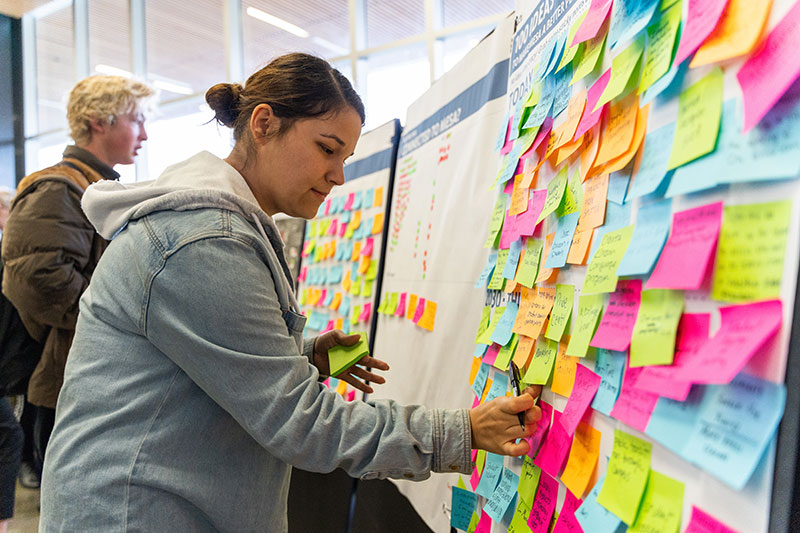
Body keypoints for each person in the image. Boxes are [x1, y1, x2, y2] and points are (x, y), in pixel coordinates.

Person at [39, 53, 542, 532]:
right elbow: (302, 423)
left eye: (345, 156)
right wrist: (459, 432)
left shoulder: (215, 227)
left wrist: (302, 355)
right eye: (327, 148)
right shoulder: (204, 240)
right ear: (263, 124)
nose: (338, 176)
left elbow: (193, 360)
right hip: (137, 513)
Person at [0, 75, 155, 469]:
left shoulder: (95, 185)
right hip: (72, 377)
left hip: (91, 373)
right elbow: (38, 279)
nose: (145, 134)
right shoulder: (59, 187)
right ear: (99, 121)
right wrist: (113, 315)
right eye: (136, 120)